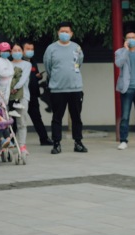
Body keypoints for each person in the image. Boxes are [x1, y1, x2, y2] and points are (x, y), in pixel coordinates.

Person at [44, 21, 86, 154]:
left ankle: (78, 142)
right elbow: (48, 67)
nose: (64, 34)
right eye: (62, 31)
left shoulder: (77, 47)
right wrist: (56, 78)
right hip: (58, 89)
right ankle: (56, 143)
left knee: (76, 117)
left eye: (67, 31)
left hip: (75, 88)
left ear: (71, 33)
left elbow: (79, 63)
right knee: (57, 117)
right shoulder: (51, 48)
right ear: (58, 33)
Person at [23, 41, 54, 145]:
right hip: (21, 96)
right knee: (17, 119)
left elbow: (35, 75)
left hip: (33, 95)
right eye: (28, 49)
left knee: (37, 118)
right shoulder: (18, 62)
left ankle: (44, 139)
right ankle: (12, 140)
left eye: (32, 49)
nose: (30, 51)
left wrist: (38, 77)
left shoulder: (33, 62)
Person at [10, 42, 32, 155]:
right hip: (8, 96)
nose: (17, 52)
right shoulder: (7, 64)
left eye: (19, 50)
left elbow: (23, 79)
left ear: (22, 52)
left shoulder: (27, 64)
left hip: (22, 96)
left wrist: (15, 87)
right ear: (10, 52)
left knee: (21, 122)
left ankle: (22, 145)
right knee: (7, 123)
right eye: (14, 50)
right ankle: (7, 144)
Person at [0, 42, 15, 113]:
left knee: (6, 105)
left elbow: (11, 72)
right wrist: (10, 73)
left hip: (9, 85)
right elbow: (2, 73)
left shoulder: (8, 61)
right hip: (2, 85)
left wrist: (9, 73)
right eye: (4, 51)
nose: (6, 52)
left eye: (8, 51)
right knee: (0, 104)